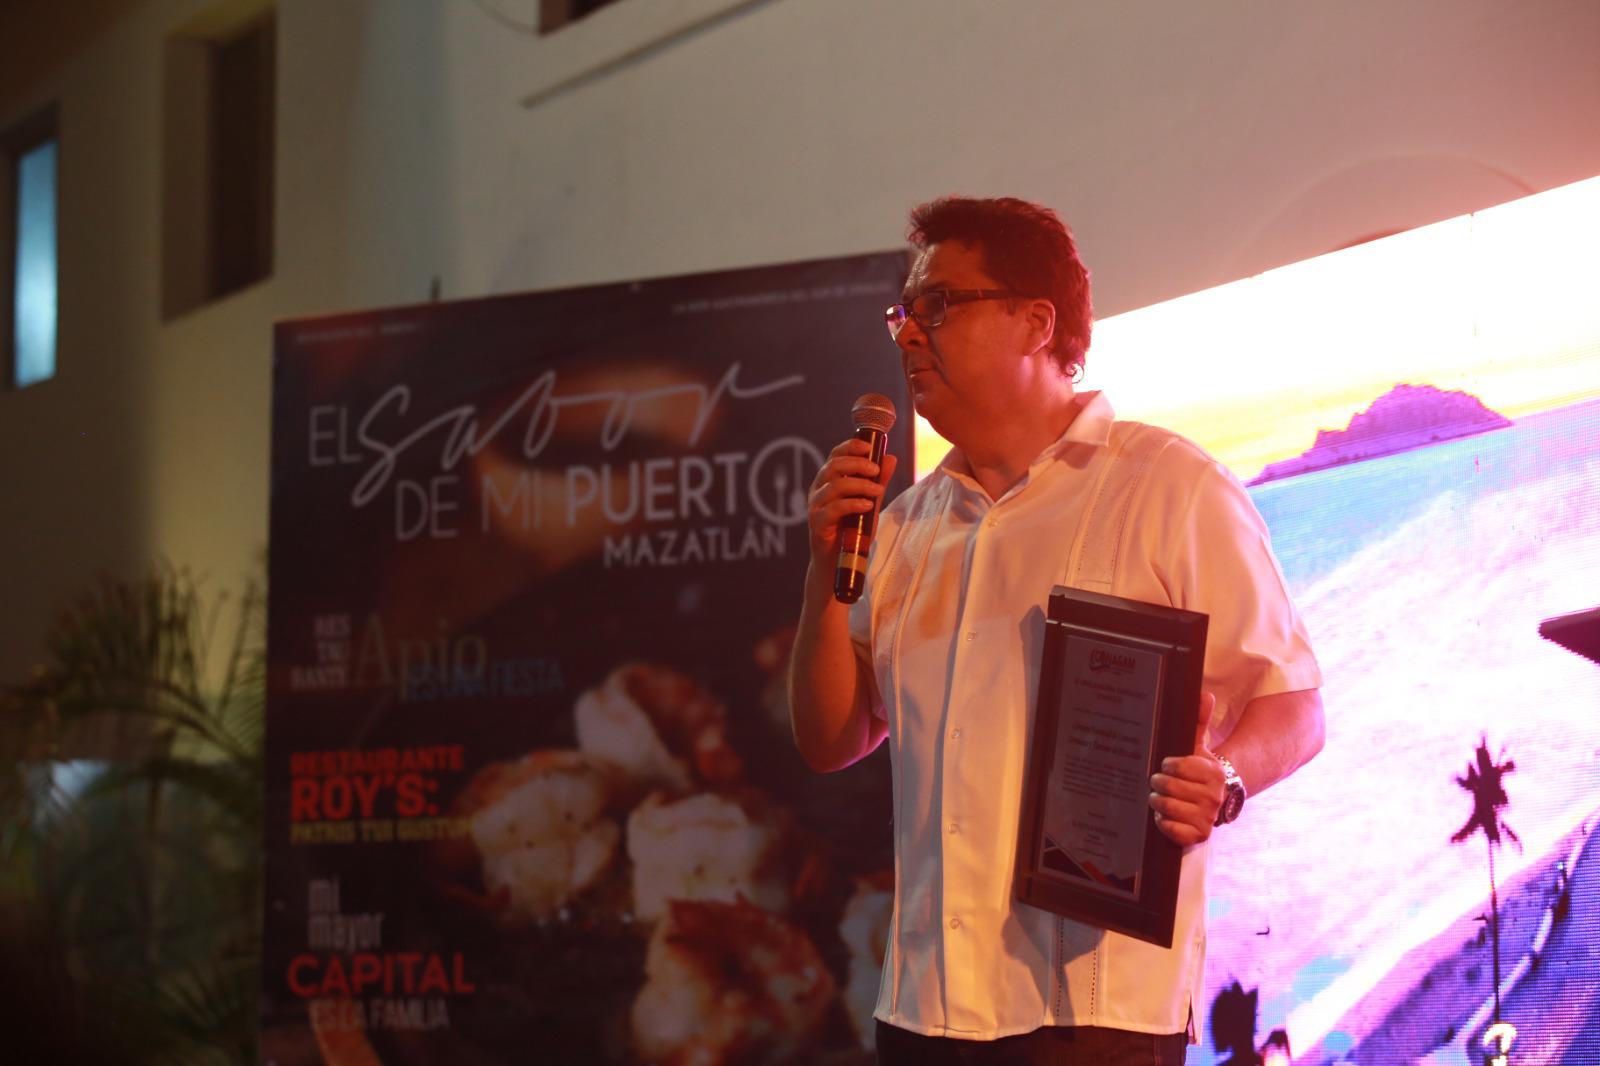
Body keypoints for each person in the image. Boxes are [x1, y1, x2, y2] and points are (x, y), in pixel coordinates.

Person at [788, 196, 1324, 1066]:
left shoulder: (1169, 485)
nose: (909, 335)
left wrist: (1224, 781)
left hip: (1094, 1010)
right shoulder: (904, 528)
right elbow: (829, 740)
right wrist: (822, 573)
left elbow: (1294, 707)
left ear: (1036, 323)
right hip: (926, 1006)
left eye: (937, 306)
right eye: (902, 314)